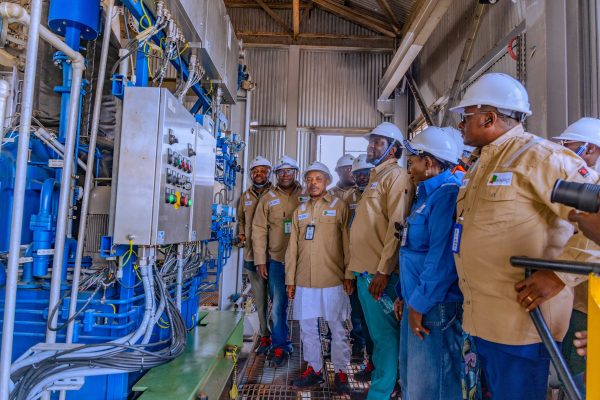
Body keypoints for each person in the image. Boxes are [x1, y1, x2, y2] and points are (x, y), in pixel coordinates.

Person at [449, 72, 599, 400]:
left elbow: (596, 218)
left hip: (521, 327)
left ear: (488, 118)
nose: (461, 124)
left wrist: (560, 275)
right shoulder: (481, 164)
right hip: (481, 320)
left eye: (466, 116)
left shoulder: (541, 158)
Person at [395, 127, 464, 399]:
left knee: (432, 386)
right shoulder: (425, 195)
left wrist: (419, 304)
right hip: (416, 300)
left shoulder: (447, 195)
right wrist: (403, 295)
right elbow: (411, 251)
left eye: (412, 162)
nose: (409, 168)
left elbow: (442, 258)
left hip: (434, 306)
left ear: (428, 162)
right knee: (412, 382)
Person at [348, 122, 414, 399]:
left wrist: (384, 271)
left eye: (378, 142)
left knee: (385, 337)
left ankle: (380, 393)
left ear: (394, 149)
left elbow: (397, 228)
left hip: (378, 275)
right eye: (371, 141)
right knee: (378, 336)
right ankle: (384, 385)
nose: (371, 146)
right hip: (365, 272)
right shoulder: (377, 177)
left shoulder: (396, 177)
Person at [286, 161, 353, 394]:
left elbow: (347, 243)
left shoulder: (339, 206)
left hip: (333, 279)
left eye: (318, 179)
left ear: (327, 181)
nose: (313, 183)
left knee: (338, 328)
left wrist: (348, 275)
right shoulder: (300, 211)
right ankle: (314, 369)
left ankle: (341, 371)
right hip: (304, 280)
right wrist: (290, 280)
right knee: (307, 329)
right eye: (309, 179)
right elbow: (292, 248)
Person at [550, 117, 600, 379]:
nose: (562, 153)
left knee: (580, 378)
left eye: (567, 146)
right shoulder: (590, 188)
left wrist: (557, 276)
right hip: (582, 299)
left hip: (589, 306)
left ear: (589, 149)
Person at [252, 155, 308, 366]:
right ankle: (280, 346)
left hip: (305, 262)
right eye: (281, 171)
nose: (285, 175)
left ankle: (313, 348)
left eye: (289, 171)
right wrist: (260, 260)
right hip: (277, 261)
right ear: (276, 174)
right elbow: (259, 230)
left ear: (296, 172)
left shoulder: (307, 194)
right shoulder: (268, 198)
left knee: (309, 305)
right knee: (277, 306)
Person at [236, 156, 273, 354]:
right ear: (251, 174)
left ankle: (279, 337)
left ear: (269, 173)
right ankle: (265, 335)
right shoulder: (245, 197)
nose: (259, 174)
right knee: (260, 300)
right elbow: (241, 219)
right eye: (255, 171)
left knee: (277, 300)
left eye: (263, 171)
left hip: (273, 256)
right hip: (252, 256)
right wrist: (241, 233)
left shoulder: (276, 194)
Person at [345, 154, 376, 378]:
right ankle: (371, 361)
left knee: (378, 324)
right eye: (358, 174)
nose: (362, 177)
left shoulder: (379, 193)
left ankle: (381, 367)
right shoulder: (348, 198)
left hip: (375, 268)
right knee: (361, 317)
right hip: (355, 267)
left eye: (366, 173)